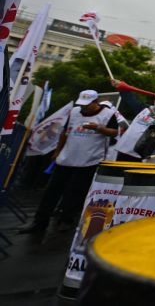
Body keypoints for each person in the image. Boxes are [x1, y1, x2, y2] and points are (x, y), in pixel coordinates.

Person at [19, 90, 119, 235]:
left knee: (75, 192)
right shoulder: (74, 112)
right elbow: (65, 132)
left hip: (89, 161)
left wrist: (98, 127)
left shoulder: (108, 114)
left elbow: (114, 133)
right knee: (51, 192)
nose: (84, 108)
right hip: (66, 158)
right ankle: (39, 222)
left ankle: (65, 220)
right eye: (82, 104)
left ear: (95, 102)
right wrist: (57, 151)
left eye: (88, 105)